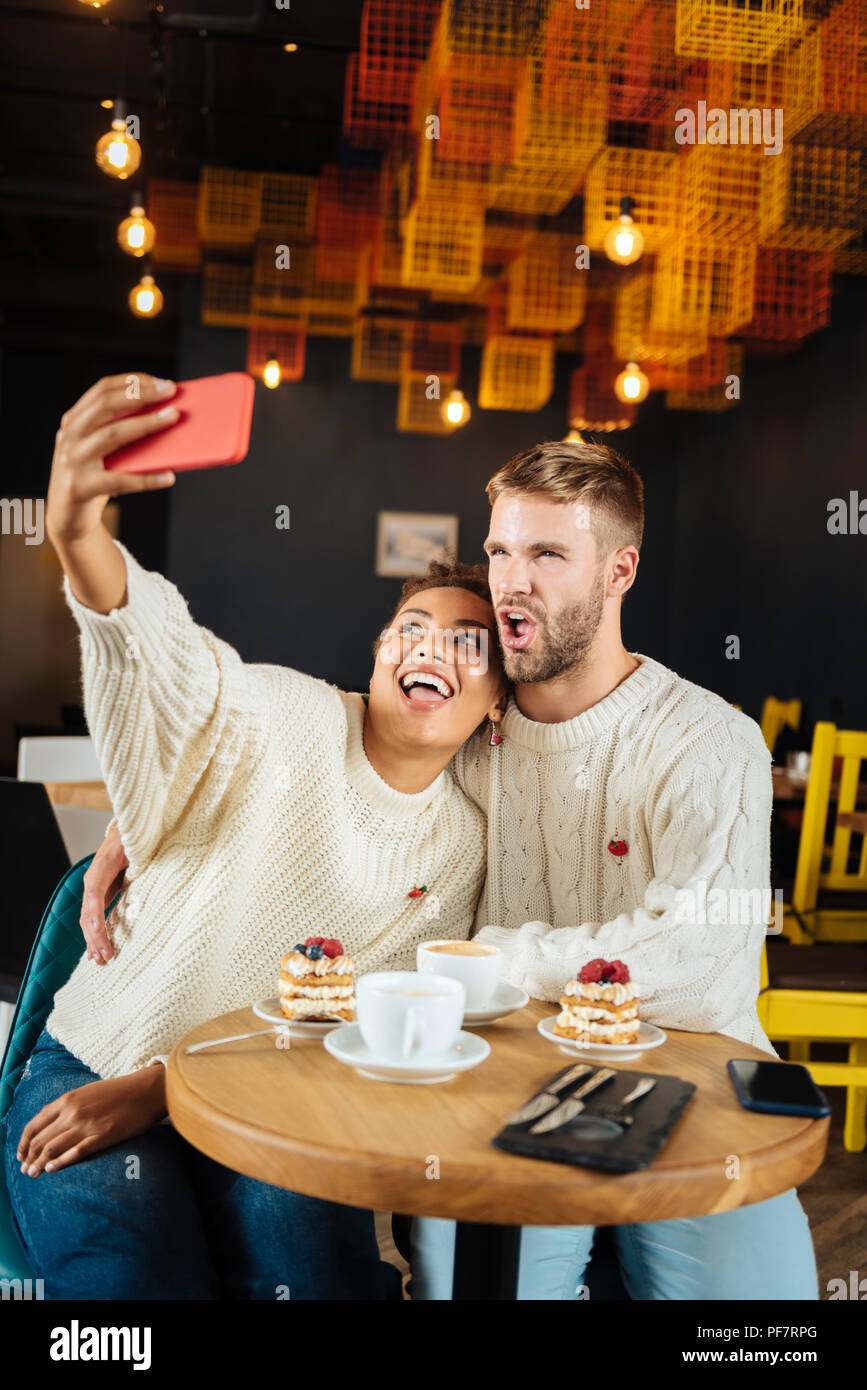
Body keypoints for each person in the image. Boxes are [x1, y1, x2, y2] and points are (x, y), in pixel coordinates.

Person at [4, 372, 507, 1300]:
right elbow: (185, 677)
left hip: (274, 1106)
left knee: (318, 1280)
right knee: (139, 1288)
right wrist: (82, 540)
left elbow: (349, 1029)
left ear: (492, 714)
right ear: (378, 654)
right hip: (99, 1060)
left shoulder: (463, 848)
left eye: (469, 645)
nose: (432, 649)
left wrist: (168, 1091)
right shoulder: (284, 713)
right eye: (412, 628)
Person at [407, 439, 819, 1300]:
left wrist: (499, 957)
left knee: (763, 1336)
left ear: (617, 571)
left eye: (547, 554)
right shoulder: (463, 733)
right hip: (505, 1088)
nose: (509, 582)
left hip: (698, 1085)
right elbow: (325, 750)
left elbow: (699, 965)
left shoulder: (709, 740)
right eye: (499, 551)